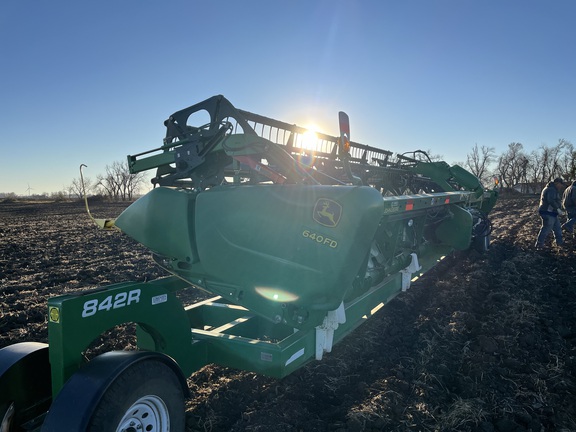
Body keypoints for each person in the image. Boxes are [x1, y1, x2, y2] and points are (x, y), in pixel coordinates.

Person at [535, 177, 565, 250]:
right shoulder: (551, 189)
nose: (561, 186)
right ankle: (539, 245)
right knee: (546, 228)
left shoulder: (551, 188)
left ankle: (560, 243)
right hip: (548, 212)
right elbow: (550, 200)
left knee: (557, 228)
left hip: (552, 213)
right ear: (557, 183)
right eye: (560, 184)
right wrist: (557, 208)